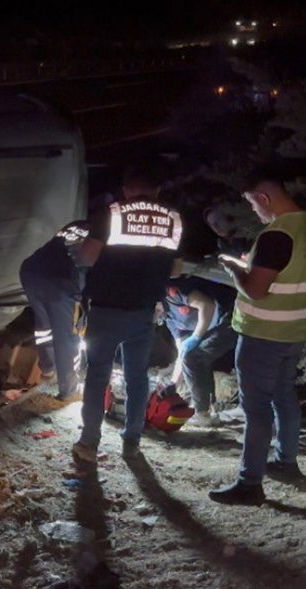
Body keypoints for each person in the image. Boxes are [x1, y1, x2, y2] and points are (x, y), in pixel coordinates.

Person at [209, 168, 306, 506]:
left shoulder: (277, 234)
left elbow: (256, 291)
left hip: (263, 334)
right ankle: (286, 462)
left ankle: (250, 484)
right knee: (284, 396)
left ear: (264, 198)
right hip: (296, 330)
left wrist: (235, 270)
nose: (252, 210)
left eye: (252, 203)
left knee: (257, 408)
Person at [73, 166, 183, 462]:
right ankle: (132, 440)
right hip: (144, 311)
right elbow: (176, 269)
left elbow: (86, 256)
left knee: (97, 376)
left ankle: (88, 444)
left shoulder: (112, 214)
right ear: (157, 190)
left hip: (107, 309)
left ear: (126, 190)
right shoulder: (172, 218)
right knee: (137, 376)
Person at [19, 210, 96, 400]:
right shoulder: (103, 238)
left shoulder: (76, 225)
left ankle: (47, 369)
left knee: (44, 326)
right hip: (61, 282)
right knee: (69, 336)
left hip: (31, 272)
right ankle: (69, 390)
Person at [162, 275, 238, 425]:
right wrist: (172, 388)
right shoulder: (169, 317)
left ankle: (202, 413)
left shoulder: (172, 292)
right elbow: (182, 354)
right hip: (217, 324)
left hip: (232, 315)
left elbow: (207, 305)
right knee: (194, 358)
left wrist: (196, 337)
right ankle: (209, 410)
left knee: (194, 358)